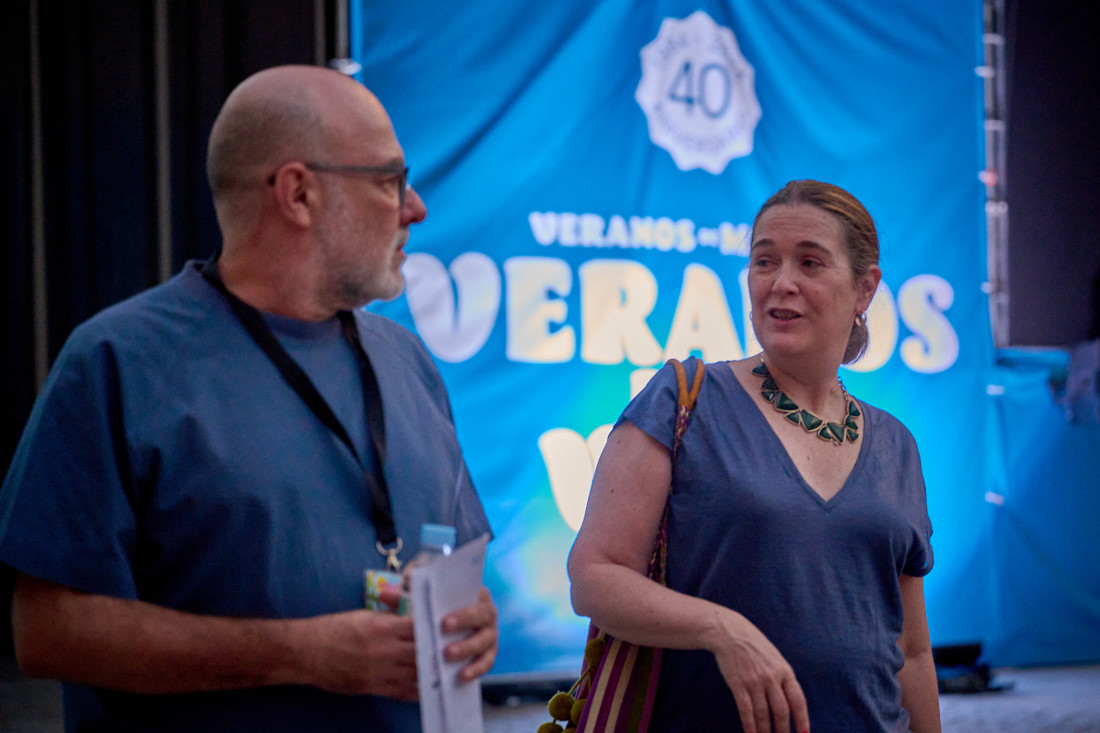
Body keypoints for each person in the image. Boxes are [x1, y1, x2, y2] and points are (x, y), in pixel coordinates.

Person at [0, 65, 497, 732]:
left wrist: (473, 624)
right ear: (298, 193)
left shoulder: (408, 361)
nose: (416, 207)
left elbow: (456, 559)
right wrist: (299, 653)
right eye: (389, 181)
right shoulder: (118, 362)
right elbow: (49, 632)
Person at [568, 180, 941, 732]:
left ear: (865, 290)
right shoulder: (682, 399)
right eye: (764, 261)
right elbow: (594, 578)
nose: (781, 283)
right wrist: (722, 630)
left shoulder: (896, 444)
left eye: (810, 263)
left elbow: (911, 651)